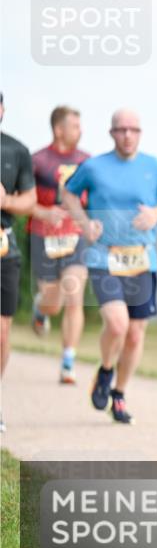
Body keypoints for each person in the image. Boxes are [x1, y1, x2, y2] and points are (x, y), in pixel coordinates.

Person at [62, 108, 157, 424]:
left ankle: (119, 393)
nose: (127, 135)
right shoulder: (94, 166)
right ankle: (105, 369)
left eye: (133, 129)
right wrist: (84, 223)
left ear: (140, 133)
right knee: (117, 324)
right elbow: (69, 193)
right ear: (111, 133)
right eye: (121, 130)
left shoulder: (153, 167)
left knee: (135, 333)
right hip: (105, 256)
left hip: (142, 258)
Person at [29, 105, 90, 383]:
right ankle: (41, 308)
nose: (80, 131)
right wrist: (44, 213)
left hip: (75, 236)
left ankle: (68, 361)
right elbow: (21, 200)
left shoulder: (87, 162)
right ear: (58, 129)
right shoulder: (37, 161)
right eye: (75, 125)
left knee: (74, 293)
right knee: (54, 303)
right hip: (44, 237)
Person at [0, 91, 39, 432]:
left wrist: (6, 200)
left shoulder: (16, 150)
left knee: (1, 331)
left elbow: (30, 200)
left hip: (3, 248)